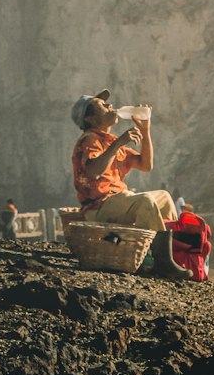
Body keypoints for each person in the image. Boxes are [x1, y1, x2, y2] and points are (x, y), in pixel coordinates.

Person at [70, 89, 190, 281]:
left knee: (164, 197)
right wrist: (118, 144)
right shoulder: (90, 139)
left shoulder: (110, 141)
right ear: (90, 119)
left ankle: (165, 258)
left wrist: (145, 130)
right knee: (144, 201)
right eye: (102, 105)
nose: (110, 106)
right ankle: (155, 261)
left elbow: (145, 164)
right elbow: (94, 171)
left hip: (116, 200)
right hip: (99, 206)